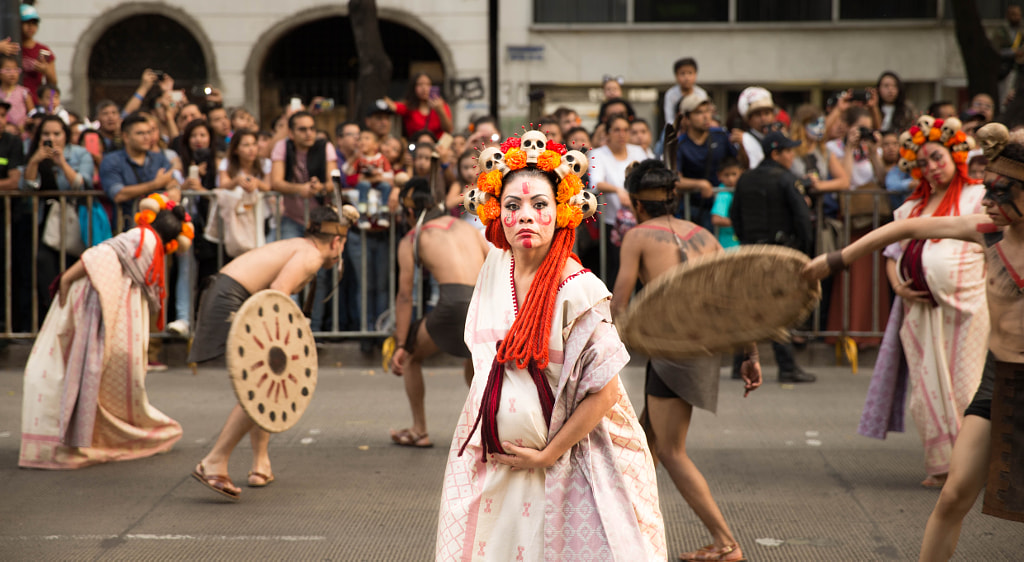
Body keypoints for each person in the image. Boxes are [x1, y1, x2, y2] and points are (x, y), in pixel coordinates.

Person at [436, 132, 665, 560]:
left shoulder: (579, 289)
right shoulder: (493, 268)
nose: (525, 216)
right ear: (494, 212)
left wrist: (548, 455)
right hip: (494, 465)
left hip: (571, 460)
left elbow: (607, 392)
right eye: (513, 205)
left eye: (539, 205)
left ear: (561, 212)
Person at [802, 123, 1024, 558]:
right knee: (954, 496)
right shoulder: (987, 231)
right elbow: (906, 229)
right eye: (989, 190)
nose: (990, 201)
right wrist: (836, 260)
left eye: (1002, 192)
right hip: (998, 383)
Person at [611, 160, 761, 562]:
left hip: (674, 350)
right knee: (646, 444)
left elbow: (620, 303)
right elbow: (735, 302)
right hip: (704, 347)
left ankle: (725, 542)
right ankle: (623, 533)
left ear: (636, 204)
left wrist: (599, 352)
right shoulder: (705, 236)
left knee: (670, 450)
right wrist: (751, 354)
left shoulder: (637, 236)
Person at [188, 205, 354, 499]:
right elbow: (278, 293)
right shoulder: (311, 255)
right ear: (337, 242)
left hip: (228, 292)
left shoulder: (303, 247)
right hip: (231, 297)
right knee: (263, 385)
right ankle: (214, 461)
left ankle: (260, 464)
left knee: (266, 379)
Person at [19, 194, 193, 469]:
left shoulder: (144, 237)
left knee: (66, 367)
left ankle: (76, 436)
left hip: (98, 303)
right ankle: (88, 436)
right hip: (103, 305)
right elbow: (103, 257)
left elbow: (101, 254)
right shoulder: (148, 240)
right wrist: (67, 279)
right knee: (87, 371)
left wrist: (67, 278)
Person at [877, 118, 988, 489]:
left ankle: (968, 469)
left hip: (970, 313)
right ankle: (941, 466)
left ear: (955, 156)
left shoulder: (978, 197)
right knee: (924, 395)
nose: (932, 168)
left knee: (965, 388)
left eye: (937, 158)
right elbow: (892, 255)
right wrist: (899, 287)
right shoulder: (910, 208)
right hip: (921, 311)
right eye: (923, 163)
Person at [389, 178, 488, 447]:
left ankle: (419, 430)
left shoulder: (413, 237)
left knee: (409, 356)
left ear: (409, 212)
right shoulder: (467, 228)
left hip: (455, 303)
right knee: (477, 368)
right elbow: (495, 264)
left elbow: (404, 296)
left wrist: (400, 343)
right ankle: (493, 430)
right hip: (483, 302)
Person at [730, 131, 817, 383]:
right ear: (775, 154)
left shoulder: (745, 179)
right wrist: (803, 252)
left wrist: (747, 241)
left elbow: (735, 215)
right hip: (780, 254)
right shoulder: (786, 179)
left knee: (750, 308)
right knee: (778, 310)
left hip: (750, 251)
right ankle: (787, 366)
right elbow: (802, 218)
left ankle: (740, 362)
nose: (792, 156)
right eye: (789, 151)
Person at [23, 115, 96, 313]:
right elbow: (27, 187)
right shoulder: (32, 153)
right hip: (42, 221)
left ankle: (74, 316)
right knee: (43, 265)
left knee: (72, 268)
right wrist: (35, 161)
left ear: (66, 135)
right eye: (46, 133)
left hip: (72, 222)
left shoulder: (80, 154)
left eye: (57, 133)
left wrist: (61, 162)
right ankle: (53, 314)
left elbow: (81, 185)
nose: (52, 138)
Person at [587, 115, 648, 283]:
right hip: (613, 222)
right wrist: (618, 191)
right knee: (617, 269)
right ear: (607, 134)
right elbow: (595, 183)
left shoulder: (638, 151)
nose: (622, 134)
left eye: (625, 130)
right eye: (617, 130)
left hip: (641, 219)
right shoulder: (598, 154)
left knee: (643, 269)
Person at [675, 91, 737, 230]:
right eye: (698, 112)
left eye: (707, 111)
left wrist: (743, 144)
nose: (705, 116)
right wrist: (700, 184)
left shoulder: (721, 136)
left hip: (723, 207)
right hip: (693, 209)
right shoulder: (679, 145)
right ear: (686, 118)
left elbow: (741, 165)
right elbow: (675, 179)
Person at [384, 73, 453, 140]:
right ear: (413, 87)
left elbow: (448, 129)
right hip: (415, 145)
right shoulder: (409, 107)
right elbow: (392, 106)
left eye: (428, 84)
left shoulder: (441, 105)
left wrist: (440, 111)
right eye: (420, 84)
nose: (424, 88)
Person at [18, 4, 56, 105]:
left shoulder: (43, 50)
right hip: (11, 101)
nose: (30, 27)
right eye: (26, 23)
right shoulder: (9, 47)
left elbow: (53, 84)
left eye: (34, 23)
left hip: (35, 102)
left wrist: (46, 71)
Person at [663, 57, 708, 133]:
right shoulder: (670, 94)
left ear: (695, 75)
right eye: (682, 73)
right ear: (676, 76)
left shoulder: (701, 93)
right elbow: (669, 119)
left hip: (697, 128)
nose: (686, 78)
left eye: (690, 73)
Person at [736, 86, 777, 169]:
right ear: (748, 120)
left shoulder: (779, 136)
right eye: (758, 115)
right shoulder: (744, 140)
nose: (763, 119)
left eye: (767, 113)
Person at [710, 157, 742, 250]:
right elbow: (716, 219)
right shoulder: (724, 194)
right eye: (726, 175)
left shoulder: (737, 191)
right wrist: (740, 222)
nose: (731, 179)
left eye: (734, 174)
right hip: (728, 244)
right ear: (719, 176)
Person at [0, 55, 32, 132]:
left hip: (21, 133)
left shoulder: (23, 93)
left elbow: (32, 114)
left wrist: (26, 122)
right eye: (8, 70)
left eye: (15, 70)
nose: (12, 73)